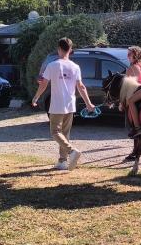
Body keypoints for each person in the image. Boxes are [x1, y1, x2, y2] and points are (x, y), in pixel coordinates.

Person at [31, 37, 96, 170]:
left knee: (55, 132)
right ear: (70, 50)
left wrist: (36, 97)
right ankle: (62, 161)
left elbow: (43, 84)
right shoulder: (75, 66)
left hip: (57, 104)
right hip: (70, 104)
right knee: (65, 133)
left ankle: (72, 151)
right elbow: (81, 86)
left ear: (59, 49)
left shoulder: (52, 65)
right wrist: (88, 103)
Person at [122, 46, 141, 160]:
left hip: (136, 96)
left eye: (129, 54)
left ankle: (135, 151)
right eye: (127, 54)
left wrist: (121, 103)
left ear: (136, 55)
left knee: (134, 125)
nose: (127, 56)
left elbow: (127, 88)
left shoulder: (131, 68)